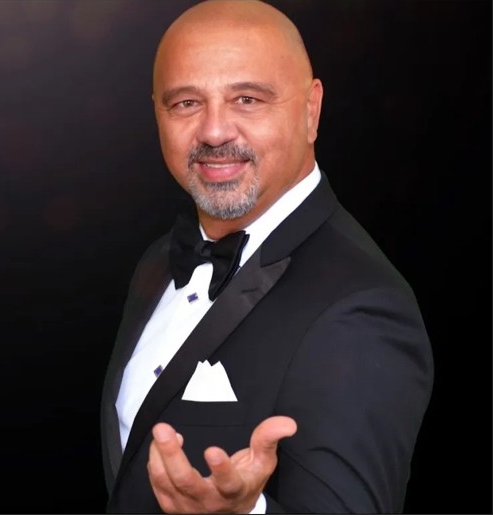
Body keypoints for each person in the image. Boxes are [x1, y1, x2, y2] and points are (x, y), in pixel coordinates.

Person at [101, 0, 433, 512]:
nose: (214, 131)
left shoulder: (363, 308)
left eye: (247, 99)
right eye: (186, 103)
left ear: (311, 110)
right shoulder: (159, 260)